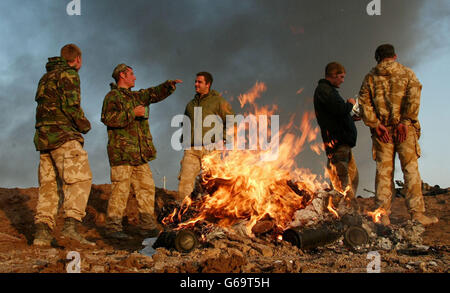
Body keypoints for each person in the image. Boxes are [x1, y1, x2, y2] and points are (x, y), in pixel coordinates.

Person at [358, 44, 438, 226]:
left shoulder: (370, 78)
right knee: (410, 170)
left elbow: (364, 104)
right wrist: (405, 122)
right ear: (394, 55)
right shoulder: (407, 73)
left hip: (382, 133)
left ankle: (382, 216)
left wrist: (376, 125)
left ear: (377, 58)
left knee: (384, 173)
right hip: (405, 131)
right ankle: (417, 215)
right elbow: (414, 97)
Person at [101, 63, 182, 239]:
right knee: (120, 191)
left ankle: (146, 226)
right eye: (132, 74)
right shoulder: (112, 96)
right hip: (122, 154)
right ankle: (113, 229)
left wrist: (169, 86)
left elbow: (153, 93)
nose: (135, 77)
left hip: (140, 154)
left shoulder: (137, 96)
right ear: (122, 75)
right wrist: (132, 113)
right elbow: (107, 119)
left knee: (146, 189)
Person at [33, 44, 94, 246]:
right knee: (80, 179)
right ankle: (70, 227)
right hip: (63, 136)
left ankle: (42, 233)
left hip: (44, 140)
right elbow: (71, 106)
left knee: (49, 186)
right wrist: (84, 125)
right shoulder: (69, 75)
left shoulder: (46, 77)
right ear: (77, 59)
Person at [177, 72, 234, 203]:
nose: (196, 84)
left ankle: (218, 212)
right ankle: (183, 213)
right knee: (185, 181)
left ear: (207, 84)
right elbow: (185, 122)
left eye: (199, 82)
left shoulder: (218, 101)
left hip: (211, 149)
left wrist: (224, 139)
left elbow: (231, 120)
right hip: (191, 150)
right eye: (195, 81)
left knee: (214, 183)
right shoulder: (190, 105)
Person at [313, 62, 359, 208]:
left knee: (352, 177)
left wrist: (350, 119)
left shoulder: (329, 91)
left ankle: (349, 208)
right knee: (342, 180)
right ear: (333, 75)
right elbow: (339, 109)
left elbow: (335, 115)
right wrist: (350, 104)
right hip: (337, 143)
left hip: (343, 142)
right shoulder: (324, 90)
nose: (343, 80)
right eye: (341, 77)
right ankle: (343, 211)